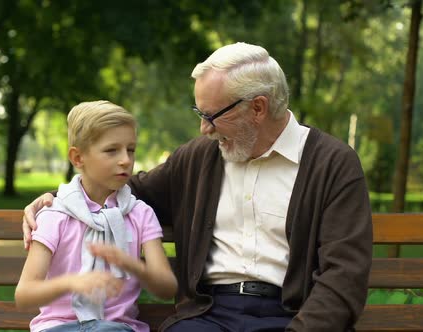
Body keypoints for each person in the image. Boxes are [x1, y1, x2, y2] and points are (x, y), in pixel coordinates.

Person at [22, 43, 373, 331]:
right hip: (208, 315)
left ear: (258, 108)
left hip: (290, 315)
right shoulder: (199, 157)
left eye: (212, 115)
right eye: (199, 114)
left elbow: (343, 276)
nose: (204, 129)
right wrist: (57, 200)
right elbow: (125, 189)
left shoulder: (332, 165)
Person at [15, 100, 177, 332]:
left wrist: (134, 266)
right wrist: (72, 282)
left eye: (130, 149)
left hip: (116, 328)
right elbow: (24, 295)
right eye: (112, 150)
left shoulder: (140, 214)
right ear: (78, 158)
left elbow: (167, 289)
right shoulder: (54, 216)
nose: (126, 160)